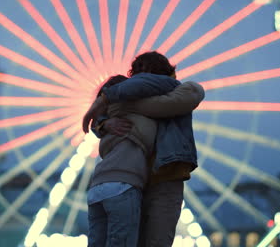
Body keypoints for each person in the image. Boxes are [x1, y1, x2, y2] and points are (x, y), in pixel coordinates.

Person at [83, 51, 205, 247]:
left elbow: (164, 104)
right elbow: (99, 124)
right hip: (133, 180)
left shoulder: (183, 90)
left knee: (156, 240)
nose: (143, 78)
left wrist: (110, 104)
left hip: (164, 177)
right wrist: (103, 123)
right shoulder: (126, 97)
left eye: (147, 74)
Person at [87, 73, 180, 247]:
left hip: (96, 187)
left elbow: (95, 123)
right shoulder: (143, 117)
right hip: (123, 185)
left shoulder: (107, 125)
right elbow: (175, 88)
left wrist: (100, 121)